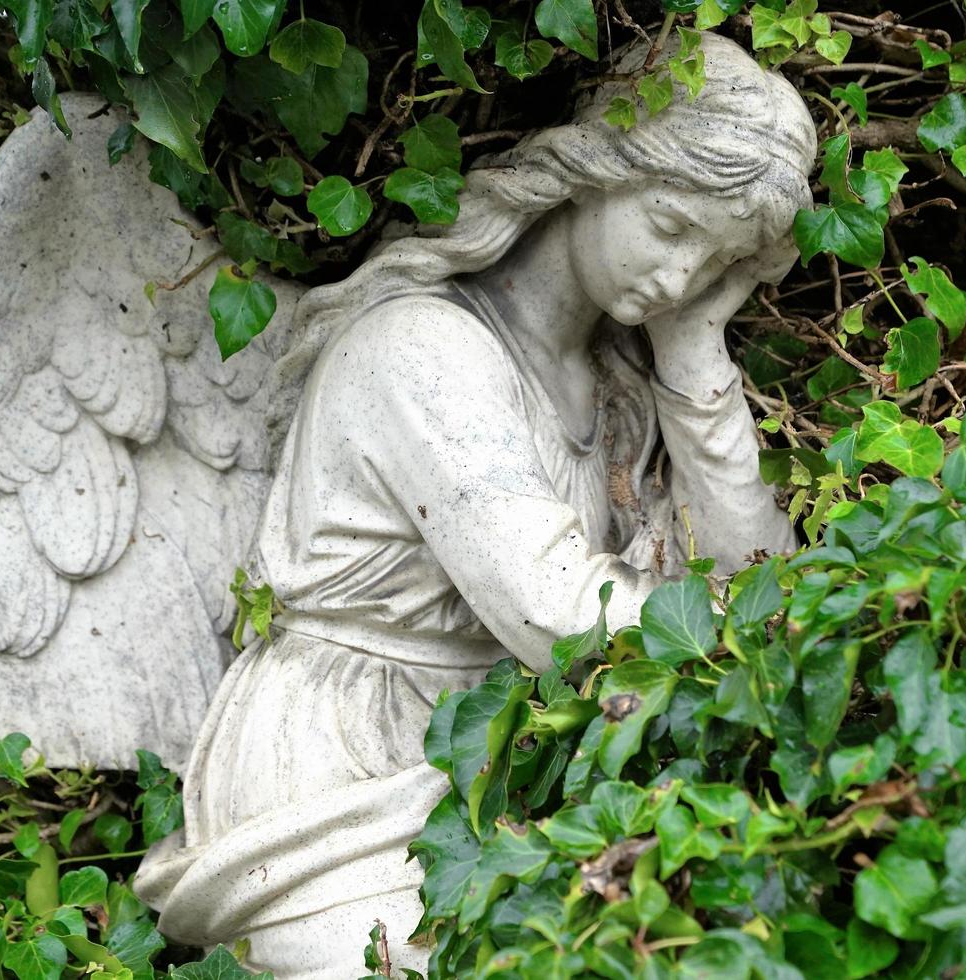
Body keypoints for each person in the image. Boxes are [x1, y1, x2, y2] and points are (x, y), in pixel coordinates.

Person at [134, 33, 816, 978]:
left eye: (716, 262)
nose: (679, 278)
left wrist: (695, 361)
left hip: (509, 754)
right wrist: (753, 625)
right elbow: (567, 620)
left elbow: (750, 585)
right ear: (594, 168)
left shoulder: (619, 392)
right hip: (347, 761)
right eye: (670, 226)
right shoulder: (421, 349)